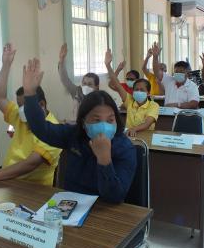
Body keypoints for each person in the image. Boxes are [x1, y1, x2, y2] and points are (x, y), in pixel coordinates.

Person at [23, 58, 137, 203]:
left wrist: (104, 159)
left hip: (105, 211)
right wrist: (30, 94)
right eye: (96, 119)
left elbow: (114, 197)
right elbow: (42, 129)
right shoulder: (73, 134)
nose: (104, 125)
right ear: (83, 122)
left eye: (110, 120)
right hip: (70, 205)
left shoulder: (124, 148)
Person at [0, 44, 62, 189]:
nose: (20, 110)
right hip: (7, 181)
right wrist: (6, 64)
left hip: (34, 190)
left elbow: (30, 164)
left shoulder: (53, 129)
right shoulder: (20, 116)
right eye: (19, 105)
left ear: (41, 104)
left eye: (25, 106)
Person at [105, 49, 159, 137]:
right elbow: (116, 83)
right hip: (128, 136)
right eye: (136, 89)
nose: (138, 91)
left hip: (146, 137)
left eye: (142, 90)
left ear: (148, 93)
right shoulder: (129, 100)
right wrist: (108, 65)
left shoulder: (153, 105)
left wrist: (134, 129)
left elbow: (147, 124)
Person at [151, 42, 199, 108]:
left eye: (181, 71)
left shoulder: (192, 86)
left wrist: (177, 105)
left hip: (183, 115)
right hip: (168, 115)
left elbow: (194, 104)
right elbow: (156, 71)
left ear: (187, 73)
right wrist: (155, 57)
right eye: (176, 71)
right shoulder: (169, 80)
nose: (178, 73)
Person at [58, 43, 100, 119]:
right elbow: (65, 79)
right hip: (77, 126)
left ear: (96, 87)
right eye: (84, 83)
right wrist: (61, 61)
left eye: (90, 84)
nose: (86, 86)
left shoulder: (100, 99)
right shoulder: (77, 92)